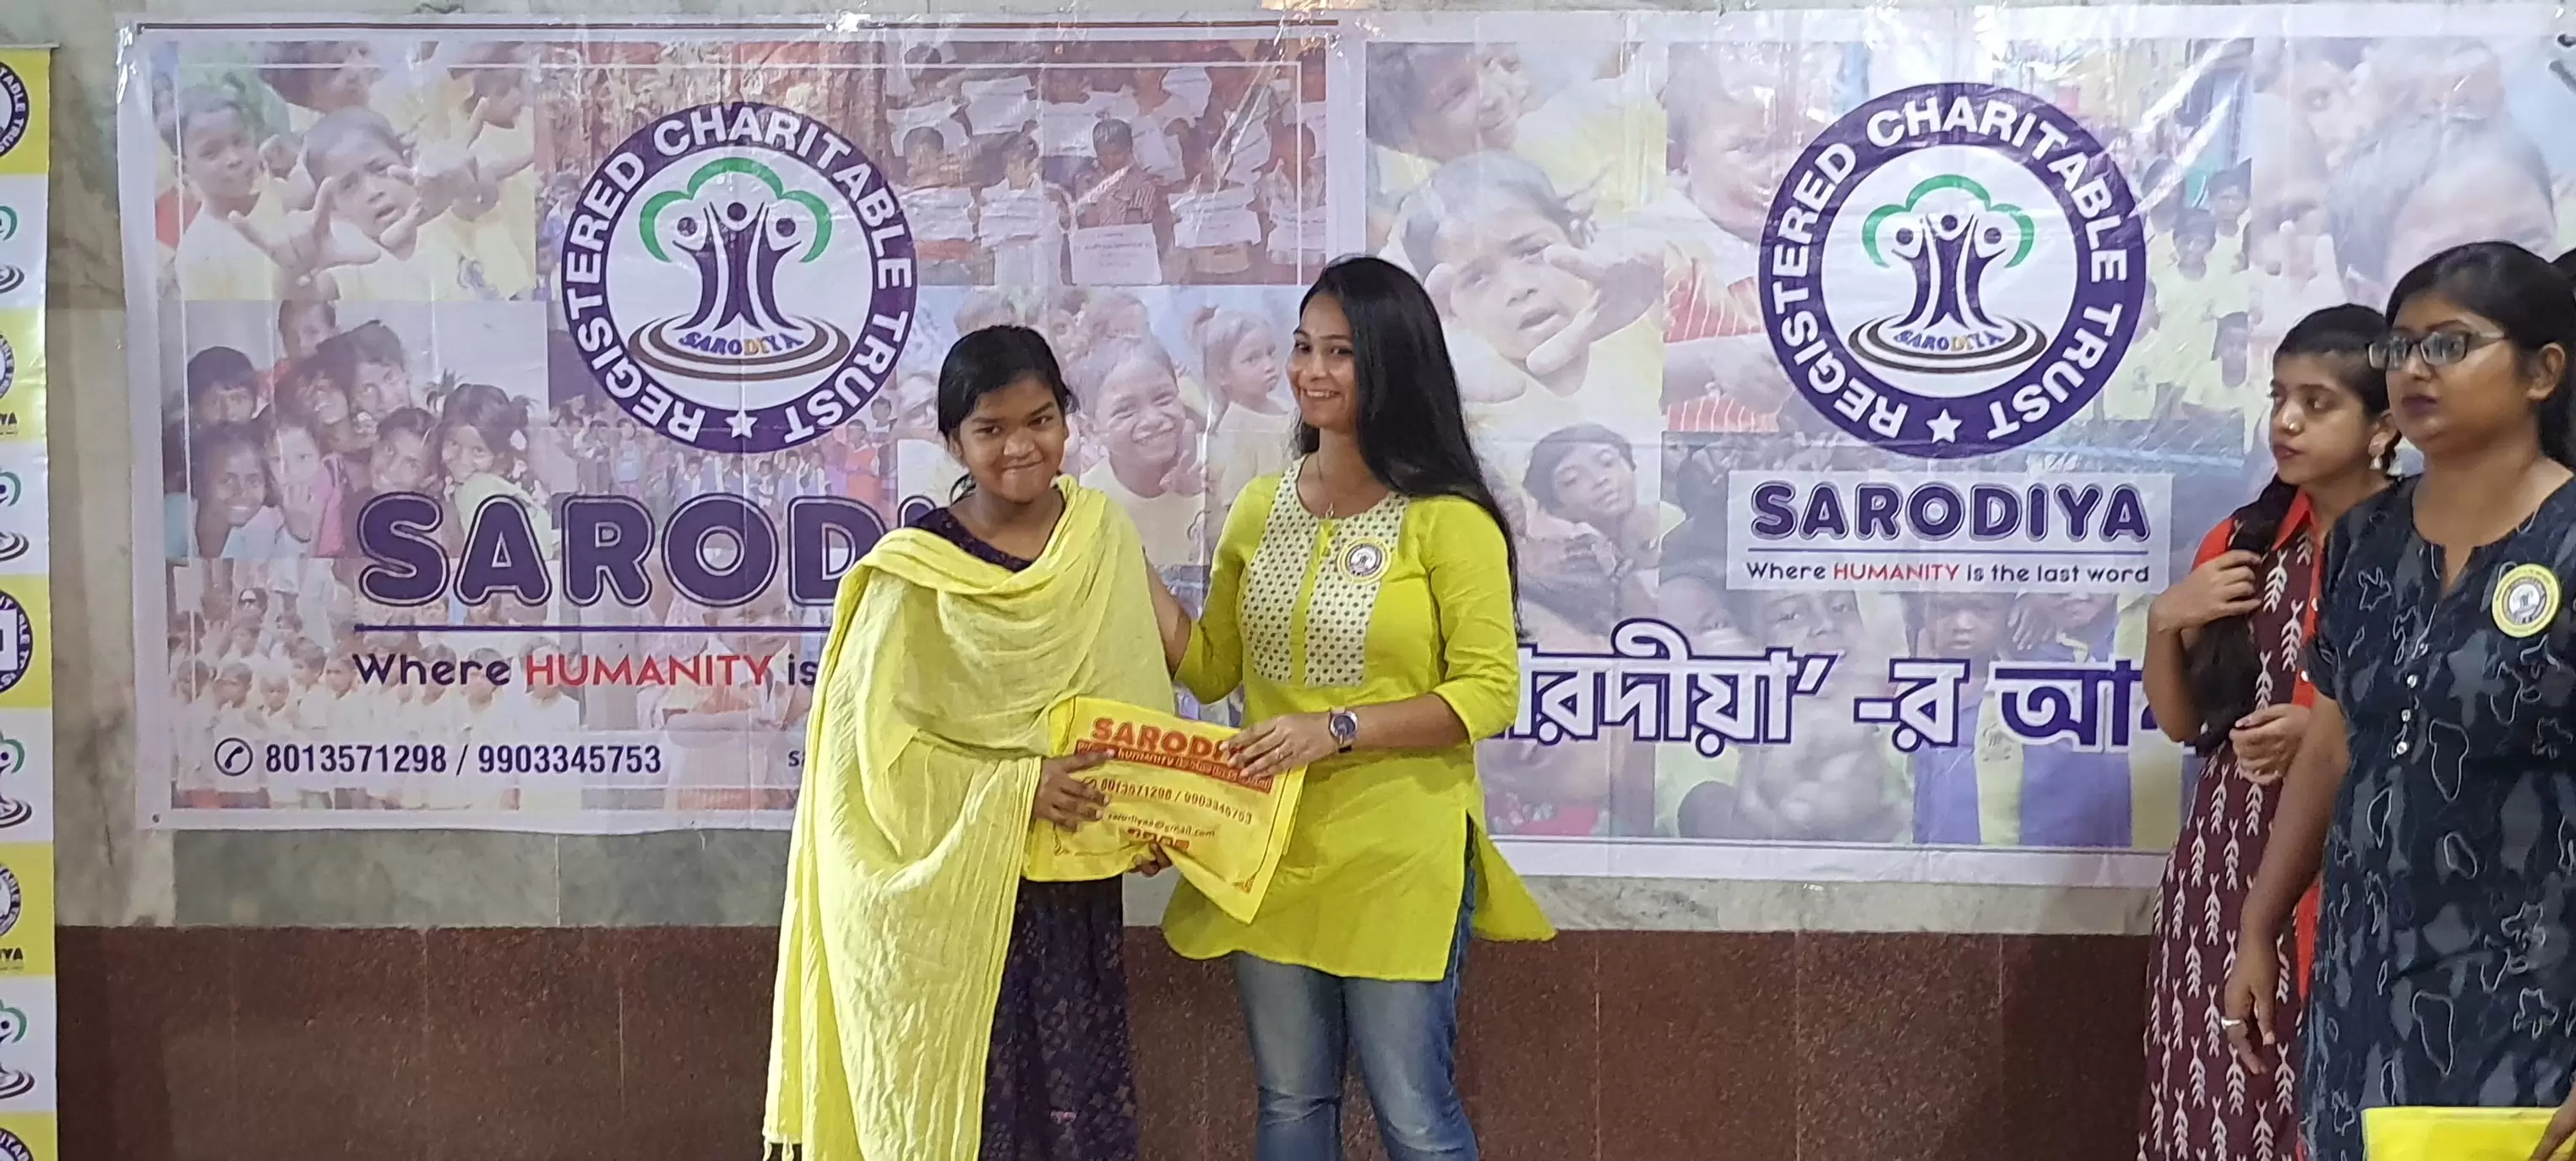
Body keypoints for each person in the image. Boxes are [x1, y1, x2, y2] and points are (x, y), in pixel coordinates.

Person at [1143, 256, 1554, 1160]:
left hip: (1398, 853)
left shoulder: (1449, 520)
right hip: (1269, 847)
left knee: (1414, 1114)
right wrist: (1118, 560)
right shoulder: (1260, 506)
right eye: (1303, 347)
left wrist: (1334, 731)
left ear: (1393, 365)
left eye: (1340, 352)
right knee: (1291, 1102)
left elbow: (1488, 691)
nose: (1311, 371)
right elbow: (1211, 669)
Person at [765, 325, 1172, 1161]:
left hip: (1067, 891)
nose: (1021, 447)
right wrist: (1018, 787)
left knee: (1071, 1115)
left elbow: (1133, 695)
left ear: (1067, 420)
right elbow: (867, 763)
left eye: (1040, 420)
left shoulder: (1097, 537)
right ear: (953, 441)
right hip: (946, 901)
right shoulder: (914, 573)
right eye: (991, 429)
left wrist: (1148, 813)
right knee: (974, 1115)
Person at [2220, 243, 2576, 1160]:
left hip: (2533, 1010)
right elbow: (2332, 744)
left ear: (2541, 372)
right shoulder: (2366, 538)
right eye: (2399, 347)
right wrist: (2260, 922)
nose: (2414, 368)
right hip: (2361, 1002)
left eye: (2448, 345)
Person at [2136, 304, 2396, 1161]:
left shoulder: (2426, 544)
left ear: (2383, 427)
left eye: (2317, 404)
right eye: (2279, 397)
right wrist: (2164, 621)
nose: (2285, 421)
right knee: (2211, 1097)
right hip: (2222, 867)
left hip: (2356, 867)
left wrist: (2325, 732)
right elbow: (2182, 723)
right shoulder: (2244, 541)